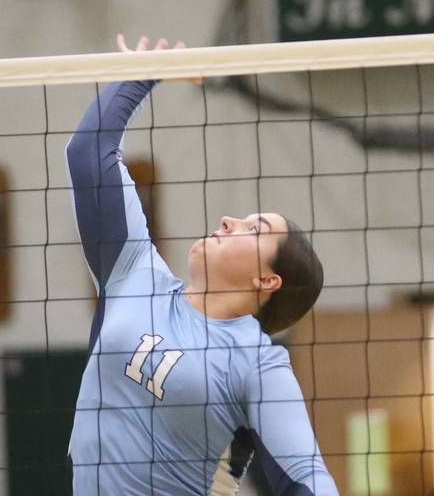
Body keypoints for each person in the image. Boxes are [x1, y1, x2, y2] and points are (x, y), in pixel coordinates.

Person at [65, 35, 339, 495]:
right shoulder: (135, 274)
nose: (230, 220)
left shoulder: (259, 363)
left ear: (267, 279)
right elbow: (88, 153)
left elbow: (306, 482)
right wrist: (143, 71)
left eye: (254, 230)